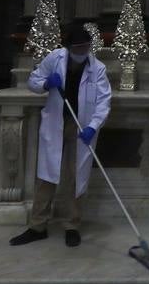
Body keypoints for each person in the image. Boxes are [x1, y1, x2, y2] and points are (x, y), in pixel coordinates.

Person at [10, 22, 111, 248]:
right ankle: (38, 226)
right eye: (78, 49)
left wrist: (93, 126)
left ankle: (71, 225)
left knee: (74, 177)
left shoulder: (98, 69)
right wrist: (46, 83)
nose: (82, 53)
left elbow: (103, 103)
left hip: (81, 127)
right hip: (56, 122)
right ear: (68, 48)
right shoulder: (54, 59)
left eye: (86, 48)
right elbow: (33, 81)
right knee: (47, 175)